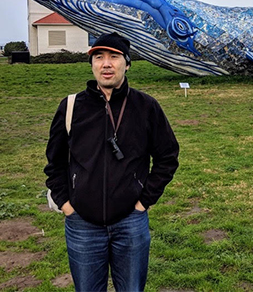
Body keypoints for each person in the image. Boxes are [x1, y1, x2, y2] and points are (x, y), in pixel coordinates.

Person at [44, 32, 179, 292]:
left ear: (127, 63)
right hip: (82, 224)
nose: (106, 64)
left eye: (114, 57)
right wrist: (66, 204)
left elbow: (167, 157)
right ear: (92, 63)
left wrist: (143, 202)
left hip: (130, 222)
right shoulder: (71, 107)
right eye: (99, 57)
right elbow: (55, 162)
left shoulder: (146, 107)